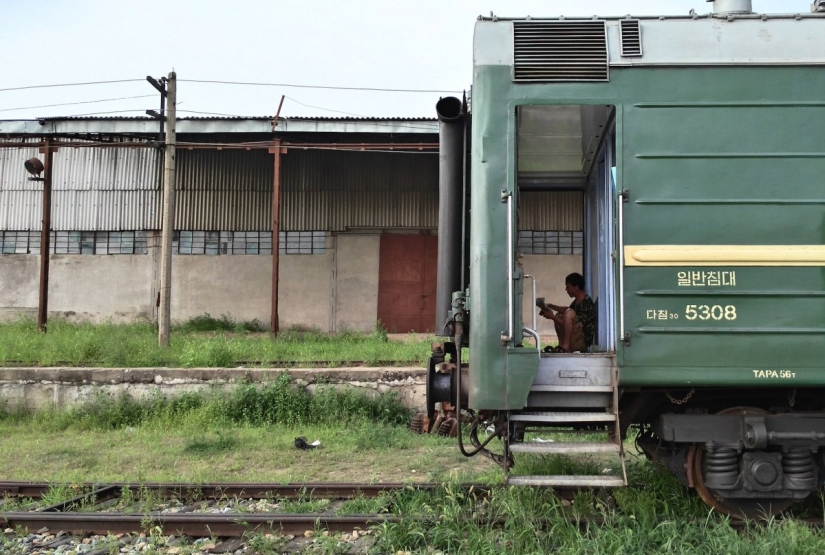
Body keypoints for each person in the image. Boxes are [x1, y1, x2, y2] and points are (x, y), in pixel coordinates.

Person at [538, 272, 596, 353]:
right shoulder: (577, 301)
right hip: (576, 337)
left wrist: (553, 317)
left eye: (568, 287)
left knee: (566, 314)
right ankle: (562, 345)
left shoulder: (585, 302)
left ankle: (565, 346)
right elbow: (567, 311)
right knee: (561, 314)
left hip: (582, 342)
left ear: (576, 287)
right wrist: (551, 306)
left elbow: (569, 322)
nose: (566, 290)